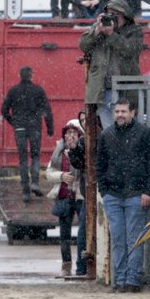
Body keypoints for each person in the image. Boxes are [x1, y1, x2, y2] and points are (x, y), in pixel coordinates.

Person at [96, 97, 150, 293]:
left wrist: (148, 191)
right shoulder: (106, 135)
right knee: (118, 239)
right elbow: (100, 165)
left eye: (124, 111)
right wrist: (104, 191)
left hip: (136, 194)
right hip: (113, 194)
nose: (120, 115)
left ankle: (132, 281)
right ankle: (120, 280)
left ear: (133, 113)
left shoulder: (145, 134)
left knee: (135, 239)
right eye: (117, 111)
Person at [79, 0, 143, 128]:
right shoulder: (100, 27)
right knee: (110, 131)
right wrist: (96, 31)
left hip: (126, 87)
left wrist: (111, 34)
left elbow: (130, 49)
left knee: (128, 129)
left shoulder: (134, 30)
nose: (111, 18)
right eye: (109, 14)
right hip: (104, 88)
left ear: (124, 15)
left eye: (115, 15)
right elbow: (83, 45)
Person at [1, 66, 54, 202]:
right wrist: (49, 128)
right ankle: (35, 183)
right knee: (35, 156)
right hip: (34, 126)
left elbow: (4, 109)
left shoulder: (13, 91)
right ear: (31, 75)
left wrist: (13, 122)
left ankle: (25, 190)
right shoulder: (38, 90)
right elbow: (47, 110)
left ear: (20, 75)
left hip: (19, 128)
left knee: (22, 158)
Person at [47, 119, 87, 278]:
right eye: (68, 133)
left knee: (83, 233)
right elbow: (49, 173)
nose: (71, 136)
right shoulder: (58, 151)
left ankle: (82, 265)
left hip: (80, 195)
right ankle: (66, 264)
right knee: (64, 235)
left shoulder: (83, 149)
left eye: (74, 133)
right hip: (64, 195)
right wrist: (61, 176)